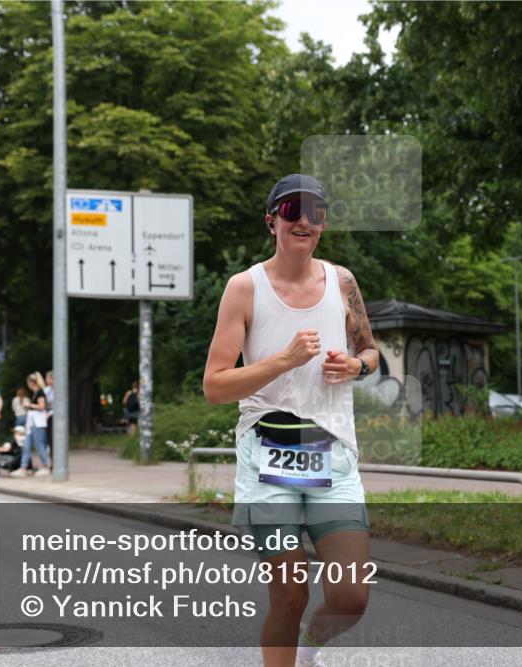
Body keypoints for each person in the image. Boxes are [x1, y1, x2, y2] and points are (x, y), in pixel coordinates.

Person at [202, 174, 380, 667]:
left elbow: (371, 350)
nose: (304, 220)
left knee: (351, 598)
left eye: (316, 213)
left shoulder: (342, 282)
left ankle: (309, 649)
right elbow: (215, 385)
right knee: (290, 596)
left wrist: (356, 366)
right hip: (267, 457)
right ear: (272, 221)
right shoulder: (245, 288)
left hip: (332, 454)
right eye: (291, 210)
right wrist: (282, 361)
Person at [12, 372, 50, 477]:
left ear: (32, 382)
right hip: (31, 423)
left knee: (39, 445)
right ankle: (23, 467)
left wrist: (29, 405)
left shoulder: (40, 393)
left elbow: (42, 406)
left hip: (38, 423)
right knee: (26, 445)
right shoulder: (35, 393)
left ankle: (46, 466)